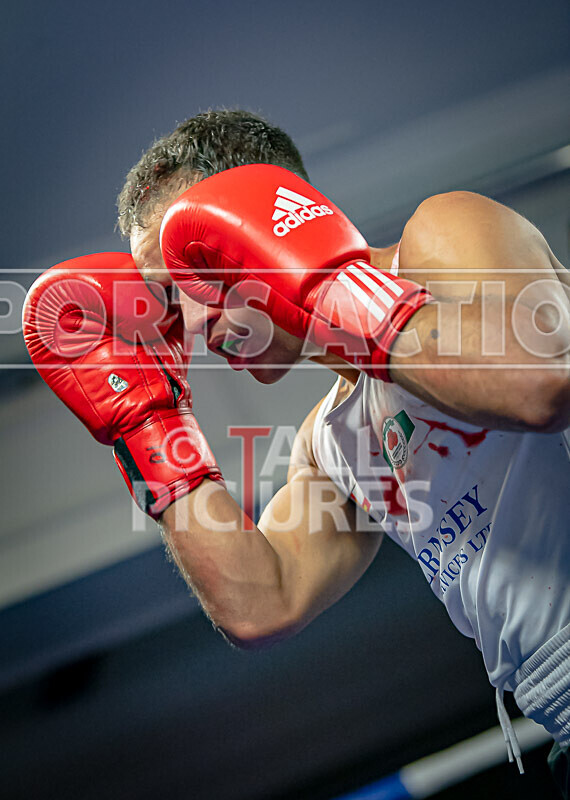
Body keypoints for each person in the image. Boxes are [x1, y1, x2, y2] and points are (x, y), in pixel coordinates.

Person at [24, 110, 569, 795]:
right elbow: (262, 603)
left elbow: (540, 383)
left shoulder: (439, 237)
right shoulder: (334, 441)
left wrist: (328, 287)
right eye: (167, 300)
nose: (194, 323)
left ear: (271, 226)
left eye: (200, 270)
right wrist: (147, 423)